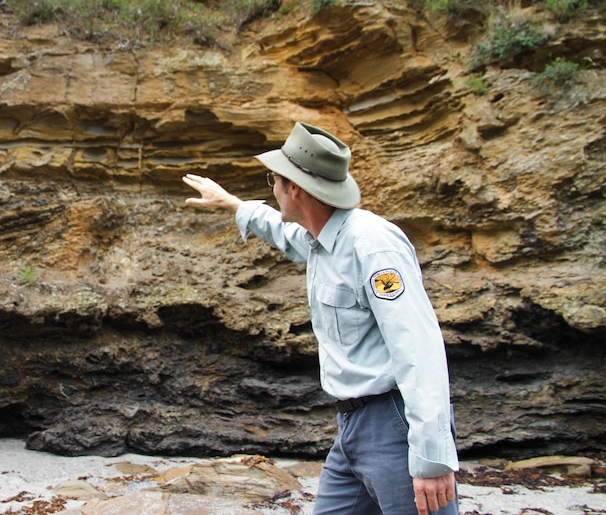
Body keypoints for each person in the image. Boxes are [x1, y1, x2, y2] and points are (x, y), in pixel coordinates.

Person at [182, 122, 459, 515]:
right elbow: (278, 230)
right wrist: (231, 202)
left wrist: (432, 458)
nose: (271, 188)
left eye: (272, 179)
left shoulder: (372, 243)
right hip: (351, 429)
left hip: (394, 426)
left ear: (293, 187)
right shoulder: (320, 239)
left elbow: (420, 347)